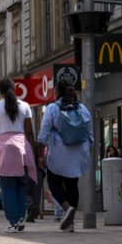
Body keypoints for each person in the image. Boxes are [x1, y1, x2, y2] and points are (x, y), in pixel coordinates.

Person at [0, 77, 37, 233]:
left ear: (0, 92)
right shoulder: (25, 106)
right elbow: (29, 131)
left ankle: (13, 221)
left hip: (3, 150)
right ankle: (20, 218)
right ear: (15, 89)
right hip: (21, 148)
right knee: (21, 185)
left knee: (7, 187)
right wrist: (33, 150)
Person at [38, 73, 93, 232]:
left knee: (53, 182)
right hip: (78, 152)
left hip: (59, 154)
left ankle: (67, 208)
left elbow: (43, 136)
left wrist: (41, 156)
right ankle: (70, 222)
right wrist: (86, 154)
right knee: (72, 184)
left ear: (57, 91)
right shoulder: (83, 109)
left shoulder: (53, 108)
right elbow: (90, 136)